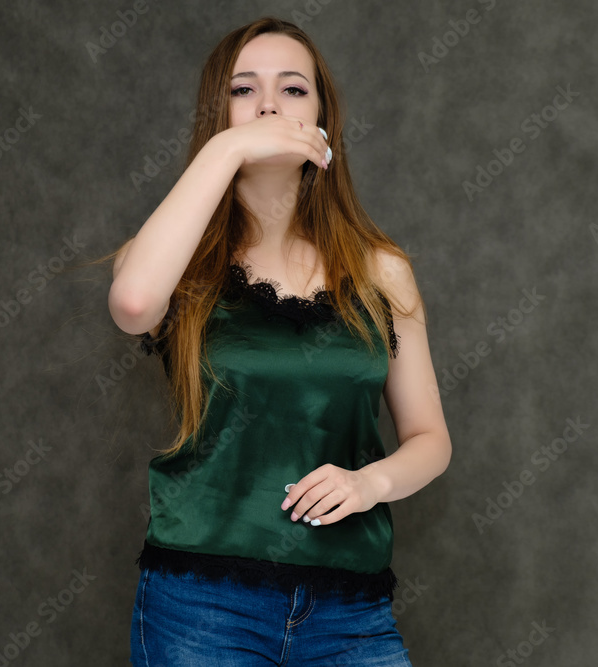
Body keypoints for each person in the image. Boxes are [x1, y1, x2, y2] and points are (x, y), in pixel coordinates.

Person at [107, 16, 452, 665]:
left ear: (322, 117)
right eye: (244, 90)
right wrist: (226, 150)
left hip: (351, 609)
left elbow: (431, 438)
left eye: (292, 89)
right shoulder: (177, 261)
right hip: (202, 606)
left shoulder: (382, 270)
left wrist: (370, 482)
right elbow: (131, 304)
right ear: (217, 113)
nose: (268, 104)